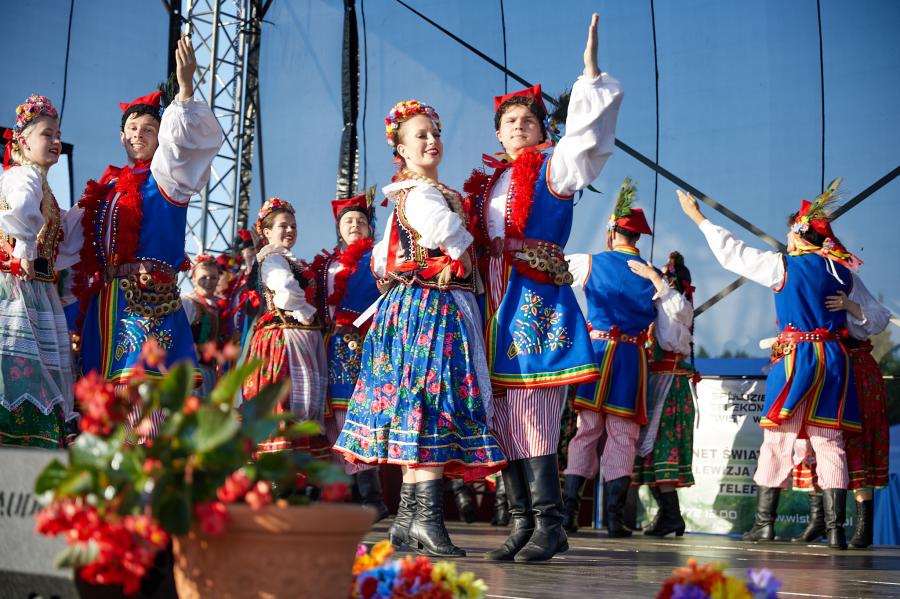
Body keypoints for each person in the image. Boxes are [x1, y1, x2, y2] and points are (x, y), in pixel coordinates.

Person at [463, 13, 623, 563]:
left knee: (534, 410)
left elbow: (585, 144)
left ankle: (551, 524)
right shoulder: (489, 182)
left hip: (533, 300)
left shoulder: (553, 167)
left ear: (541, 130)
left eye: (527, 120)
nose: (517, 127)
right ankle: (521, 522)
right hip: (491, 302)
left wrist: (589, 78)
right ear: (498, 132)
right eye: (508, 121)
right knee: (500, 416)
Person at [334, 99, 505, 558]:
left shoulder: (406, 197)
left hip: (409, 310)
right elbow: (452, 236)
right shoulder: (423, 196)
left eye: (435, 133)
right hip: (431, 312)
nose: (431, 141)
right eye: (420, 135)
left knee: (417, 406)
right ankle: (425, 521)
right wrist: (462, 251)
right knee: (432, 404)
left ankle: (408, 521)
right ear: (402, 150)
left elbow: (380, 262)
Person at [678, 180, 862, 549]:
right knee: (830, 442)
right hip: (833, 360)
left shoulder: (783, 266)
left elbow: (734, 253)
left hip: (797, 359)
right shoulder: (842, 272)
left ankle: (765, 524)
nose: (788, 239)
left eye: (790, 233)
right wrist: (849, 309)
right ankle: (836, 531)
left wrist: (698, 218)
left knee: (778, 440)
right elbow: (868, 321)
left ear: (799, 235)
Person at [71, 36, 222, 404]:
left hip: (148, 303)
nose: (139, 133)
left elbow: (181, 144)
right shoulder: (107, 190)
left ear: (160, 138)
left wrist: (184, 91)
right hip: (105, 307)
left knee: (144, 402)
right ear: (122, 136)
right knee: (103, 405)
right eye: (133, 128)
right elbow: (68, 238)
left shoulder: (167, 177)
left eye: (149, 129)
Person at [561, 180, 686, 537]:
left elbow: (552, 277)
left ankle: (569, 514)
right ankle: (614, 519)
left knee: (586, 432)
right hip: (631, 358)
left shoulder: (588, 262)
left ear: (612, 232)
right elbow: (671, 334)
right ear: (637, 238)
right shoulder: (653, 275)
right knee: (622, 435)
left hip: (597, 354)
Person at [0, 95, 81, 447]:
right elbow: (20, 210)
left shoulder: (43, 187)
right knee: (20, 373)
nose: (56, 141)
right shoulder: (24, 176)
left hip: (38, 293)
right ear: (23, 141)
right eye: (47, 134)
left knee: (34, 376)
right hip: (16, 292)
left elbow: (61, 247)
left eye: (58, 135)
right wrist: (25, 248)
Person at [790, 277, 890, 549]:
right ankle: (819, 520)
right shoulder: (802, 281)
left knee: (856, 442)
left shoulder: (844, 278)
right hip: (822, 367)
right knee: (816, 440)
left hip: (855, 370)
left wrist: (849, 305)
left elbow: (880, 318)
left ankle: (863, 527)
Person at [312, 192, 388, 520]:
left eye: (360, 220)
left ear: (370, 227)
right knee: (332, 421)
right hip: (328, 346)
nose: (354, 225)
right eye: (348, 221)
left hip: (362, 344)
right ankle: (337, 497)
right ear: (339, 229)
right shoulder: (327, 264)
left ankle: (372, 497)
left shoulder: (378, 257)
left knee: (358, 418)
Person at [241, 197, 329, 460]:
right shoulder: (272, 258)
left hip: (299, 338)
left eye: (293, 226)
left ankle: (293, 473)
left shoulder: (287, 259)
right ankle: (279, 476)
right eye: (283, 226)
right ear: (267, 232)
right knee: (287, 404)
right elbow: (286, 290)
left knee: (299, 404)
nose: (290, 230)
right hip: (284, 340)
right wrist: (304, 311)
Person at [631, 251, 697, 538]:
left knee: (662, 447)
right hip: (657, 383)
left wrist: (656, 279)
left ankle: (671, 516)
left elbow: (677, 307)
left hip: (671, 387)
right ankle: (669, 515)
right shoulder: (662, 305)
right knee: (650, 451)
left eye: (663, 277)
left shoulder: (679, 306)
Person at [182, 254, 224, 396]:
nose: (208, 282)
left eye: (213, 277)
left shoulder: (220, 305)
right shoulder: (187, 303)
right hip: (192, 371)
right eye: (203, 277)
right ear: (193, 279)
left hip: (213, 373)